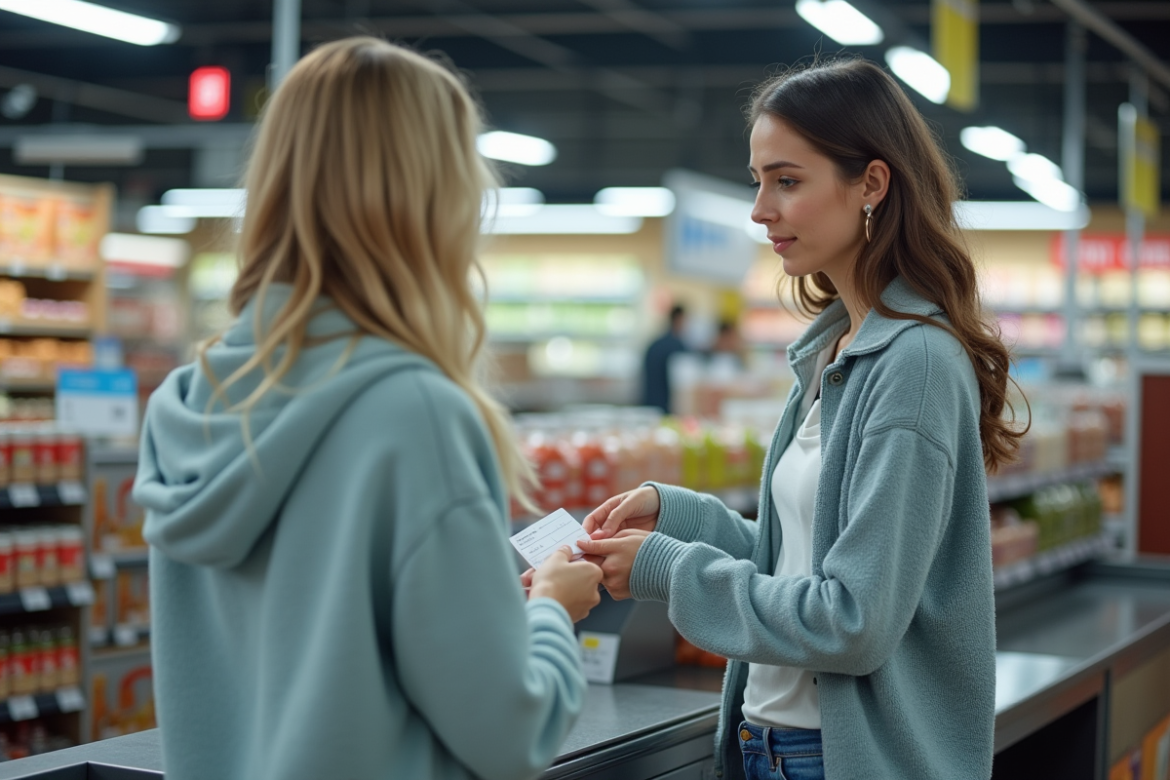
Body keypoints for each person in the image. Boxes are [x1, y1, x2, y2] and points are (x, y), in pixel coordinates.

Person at [133, 38, 603, 780]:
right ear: (437, 198)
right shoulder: (415, 413)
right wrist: (550, 609)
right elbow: (510, 732)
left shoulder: (187, 400)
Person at [579, 59, 1024, 780]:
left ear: (871, 184)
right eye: (758, 181)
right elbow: (800, 561)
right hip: (773, 747)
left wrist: (667, 569)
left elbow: (853, 620)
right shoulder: (835, 350)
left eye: (786, 181)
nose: (760, 210)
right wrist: (680, 516)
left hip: (842, 760)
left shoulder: (913, 365)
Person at [640, 303, 688, 413]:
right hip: (666, 407)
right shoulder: (677, 347)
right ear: (679, 319)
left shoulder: (654, 345)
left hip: (649, 402)